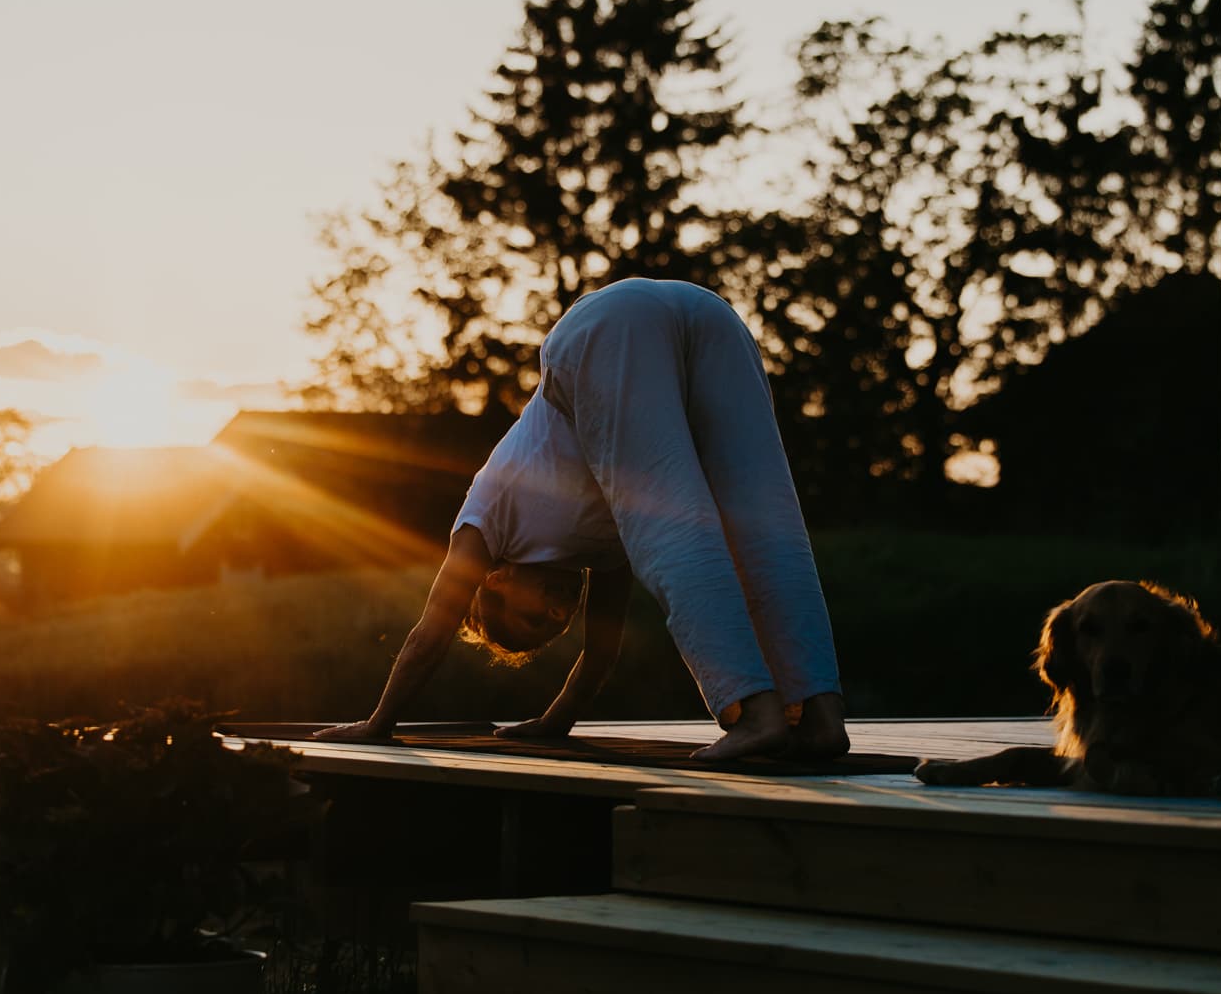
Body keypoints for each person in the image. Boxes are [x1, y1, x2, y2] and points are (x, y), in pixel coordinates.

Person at [310, 278, 849, 761]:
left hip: (606, 328)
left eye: (533, 618)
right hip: (707, 313)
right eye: (556, 623)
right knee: (767, 526)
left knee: (675, 531)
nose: (557, 610)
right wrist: (554, 721)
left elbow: (430, 633)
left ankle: (754, 712)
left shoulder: (485, 522)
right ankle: (821, 718)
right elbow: (600, 652)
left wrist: (378, 724)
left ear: (495, 581)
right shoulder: (602, 551)